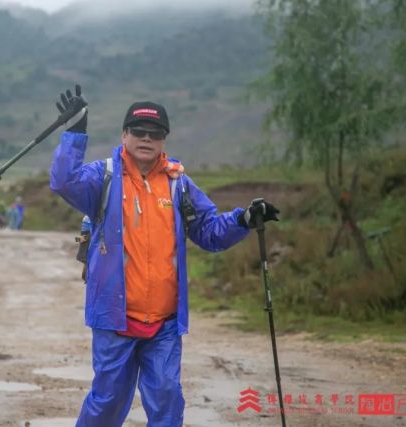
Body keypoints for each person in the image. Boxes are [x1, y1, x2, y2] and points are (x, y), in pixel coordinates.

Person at [49, 85, 279, 427]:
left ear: (164, 139)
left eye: (155, 133)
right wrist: (76, 131)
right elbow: (63, 181)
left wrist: (244, 219)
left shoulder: (178, 183)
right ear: (124, 134)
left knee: (168, 400)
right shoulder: (103, 178)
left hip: (164, 322)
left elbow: (209, 232)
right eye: (138, 131)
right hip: (115, 318)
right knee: (107, 402)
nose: (146, 138)